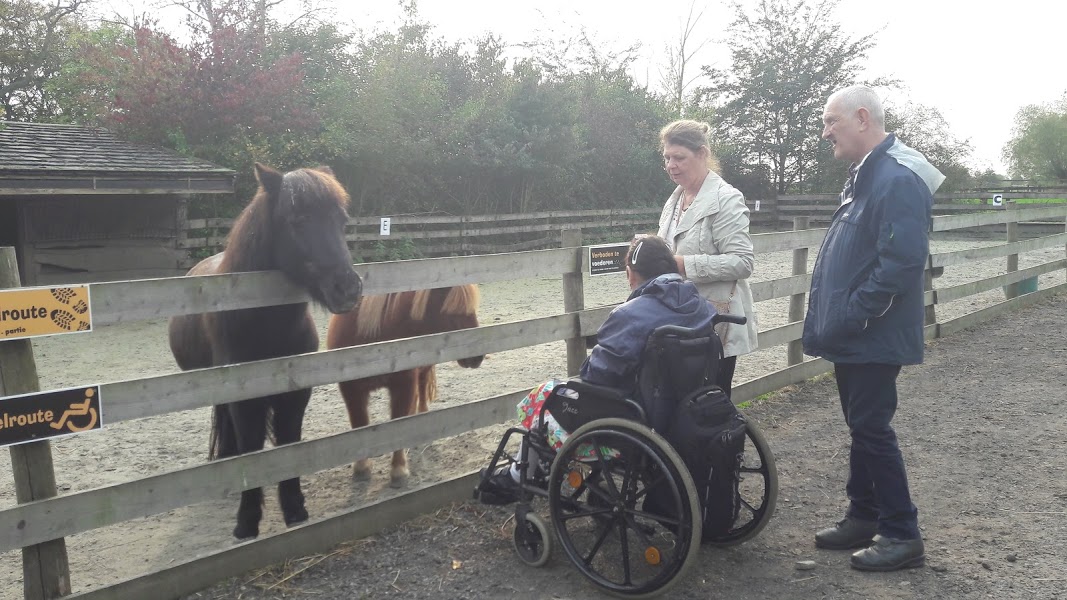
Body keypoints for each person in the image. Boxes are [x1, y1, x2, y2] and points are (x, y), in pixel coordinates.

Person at [803, 85, 945, 572]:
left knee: (871, 428)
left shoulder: (896, 178)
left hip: (871, 333)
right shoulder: (867, 175)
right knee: (862, 427)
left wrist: (853, 313)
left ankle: (902, 532)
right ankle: (863, 516)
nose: (825, 133)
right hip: (858, 333)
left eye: (830, 122)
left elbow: (901, 263)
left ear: (862, 118)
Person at [479, 235, 717, 504]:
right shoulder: (698, 305)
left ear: (631, 273)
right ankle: (534, 468)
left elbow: (597, 375)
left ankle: (519, 473)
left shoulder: (632, 314)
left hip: (634, 422)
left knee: (547, 395)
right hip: (680, 414)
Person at [656, 119, 758, 398]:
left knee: (709, 403)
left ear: (702, 154)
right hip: (680, 318)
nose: (671, 165)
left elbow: (742, 262)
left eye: (679, 157)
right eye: (666, 158)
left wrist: (683, 265)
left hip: (715, 322)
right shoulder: (674, 200)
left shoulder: (726, 199)